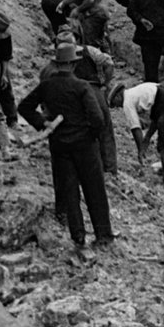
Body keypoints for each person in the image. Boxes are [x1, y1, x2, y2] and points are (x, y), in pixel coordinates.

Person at [18, 35, 116, 254]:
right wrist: (90, 134)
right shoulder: (81, 86)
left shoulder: (47, 85)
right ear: (73, 63)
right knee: (95, 190)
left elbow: (24, 107)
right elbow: (98, 118)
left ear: (56, 62)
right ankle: (103, 235)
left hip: (60, 145)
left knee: (70, 190)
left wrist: (43, 123)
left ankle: (78, 236)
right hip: (85, 145)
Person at [119, 78, 164, 187]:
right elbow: (157, 119)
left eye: (115, 103)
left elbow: (135, 127)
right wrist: (147, 139)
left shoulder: (127, 101)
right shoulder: (138, 91)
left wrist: (140, 149)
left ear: (118, 96)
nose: (118, 106)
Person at [74, 39, 121, 175]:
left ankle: (90, 168)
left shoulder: (60, 56)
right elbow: (109, 63)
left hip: (76, 93)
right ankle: (110, 169)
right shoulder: (89, 49)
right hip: (94, 90)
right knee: (105, 128)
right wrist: (105, 82)